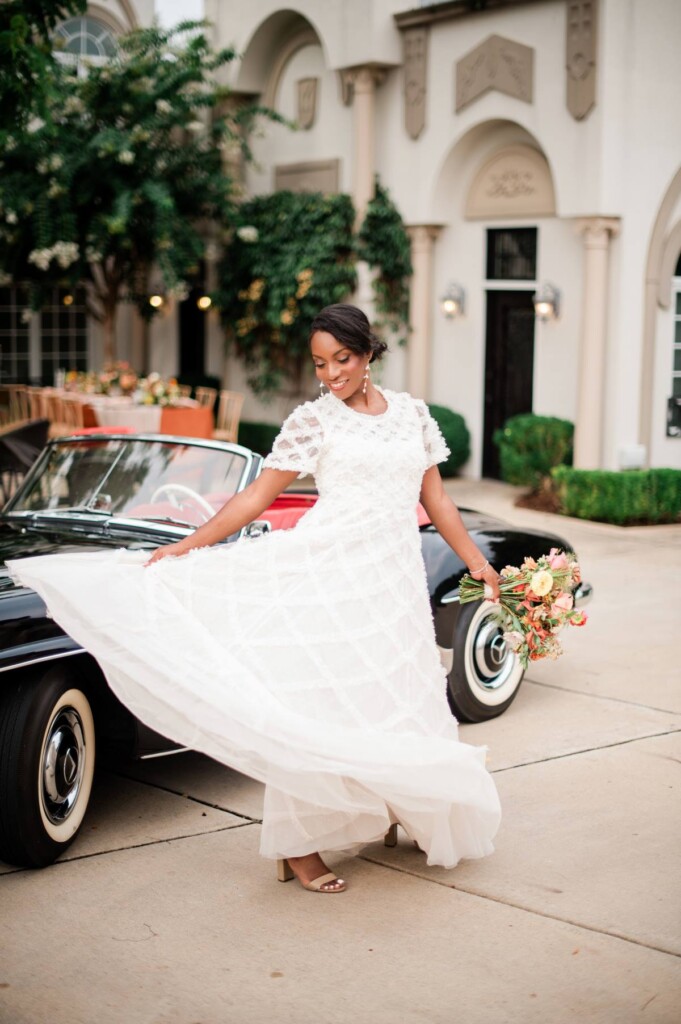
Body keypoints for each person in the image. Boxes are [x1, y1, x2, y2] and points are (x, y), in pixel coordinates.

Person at [9, 304, 501, 894]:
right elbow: (255, 499)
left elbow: (438, 502)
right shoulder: (315, 421)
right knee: (319, 702)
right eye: (320, 363)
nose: (331, 374)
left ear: (368, 352)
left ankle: (402, 808)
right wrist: (186, 548)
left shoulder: (413, 416)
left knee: (397, 694)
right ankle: (301, 848)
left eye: (341, 359)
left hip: (392, 581)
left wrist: (477, 562)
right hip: (329, 570)